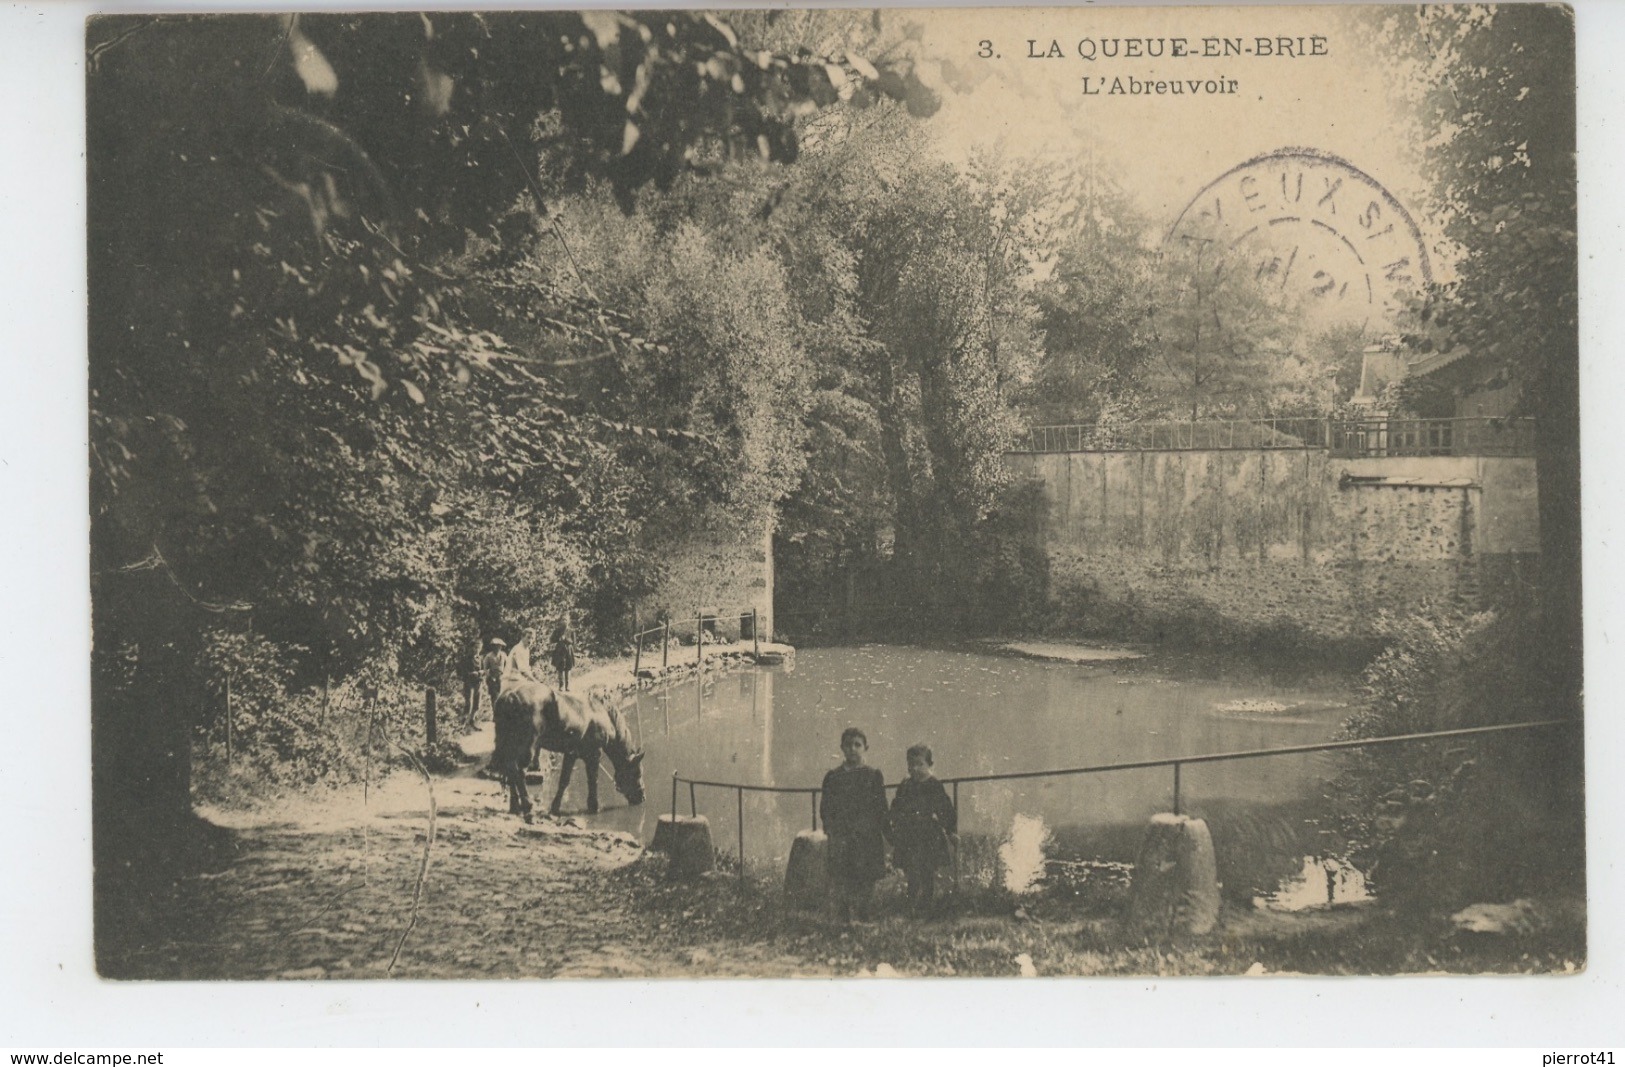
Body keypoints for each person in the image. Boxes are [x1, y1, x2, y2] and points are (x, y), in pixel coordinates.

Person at [819, 727, 888, 923]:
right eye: (848, 745)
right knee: (843, 876)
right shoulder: (833, 777)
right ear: (842, 748)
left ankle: (864, 914)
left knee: (866, 876)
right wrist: (831, 829)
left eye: (857, 745)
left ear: (865, 747)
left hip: (866, 834)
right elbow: (826, 807)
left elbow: (880, 807)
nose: (853, 749)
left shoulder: (873, 775)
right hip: (842, 835)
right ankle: (844, 916)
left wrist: (880, 829)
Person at [888, 743, 957, 916]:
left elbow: (945, 809)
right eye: (911, 764)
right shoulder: (905, 785)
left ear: (930, 765)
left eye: (920, 764)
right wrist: (895, 824)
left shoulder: (934, 785)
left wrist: (950, 830)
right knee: (911, 870)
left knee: (927, 870)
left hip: (928, 835)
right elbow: (896, 806)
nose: (915, 769)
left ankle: (926, 905)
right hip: (909, 834)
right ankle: (910, 903)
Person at [480, 637, 508, 715]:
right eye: (496, 646)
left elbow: (508, 665)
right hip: (492, 678)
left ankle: (502, 713)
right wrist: (490, 676)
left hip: (502, 677)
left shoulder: (503, 655)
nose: (498, 648)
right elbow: (485, 669)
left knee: (503, 695)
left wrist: (506, 675)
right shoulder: (489, 656)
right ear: (493, 647)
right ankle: (495, 713)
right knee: (494, 696)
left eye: (499, 646)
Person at [460, 640, 484, 728]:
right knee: (468, 702)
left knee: (477, 703)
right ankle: (463, 723)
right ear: (471, 648)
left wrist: (481, 672)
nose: (477, 650)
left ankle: (472, 721)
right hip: (469, 682)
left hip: (478, 682)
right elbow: (462, 672)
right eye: (475, 647)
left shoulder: (480, 659)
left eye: (479, 648)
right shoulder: (466, 659)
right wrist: (471, 673)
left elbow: (484, 669)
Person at [549, 625, 575, 691]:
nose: (564, 622)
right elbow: (551, 640)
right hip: (559, 651)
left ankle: (567, 686)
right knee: (560, 668)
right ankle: (561, 685)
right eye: (563, 620)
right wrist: (559, 639)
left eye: (566, 620)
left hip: (568, 650)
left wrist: (566, 639)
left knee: (568, 668)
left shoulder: (571, 630)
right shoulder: (557, 630)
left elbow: (574, 642)